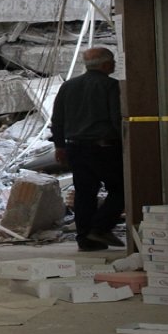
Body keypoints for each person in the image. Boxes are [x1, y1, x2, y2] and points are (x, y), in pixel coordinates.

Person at [51, 47, 125, 251]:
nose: (114, 65)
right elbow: (116, 118)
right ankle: (100, 228)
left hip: (75, 148)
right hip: (105, 148)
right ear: (105, 65)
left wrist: (59, 146)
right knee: (121, 190)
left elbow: (57, 119)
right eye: (112, 62)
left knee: (85, 193)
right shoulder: (111, 86)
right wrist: (127, 142)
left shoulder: (68, 86)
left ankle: (85, 240)